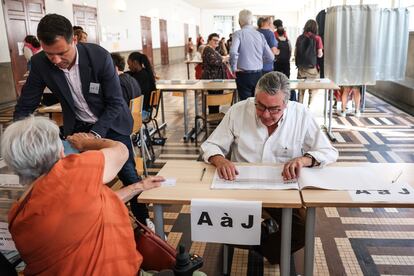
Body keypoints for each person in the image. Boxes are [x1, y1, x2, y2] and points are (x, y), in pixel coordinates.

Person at [13, 14, 152, 228]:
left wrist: (94, 136)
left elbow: (115, 103)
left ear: (74, 41)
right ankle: (89, 226)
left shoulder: (98, 57)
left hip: (111, 123)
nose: (56, 60)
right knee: (73, 179)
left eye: (61, 53)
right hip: (78, 125)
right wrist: (16, 140)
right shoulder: (40, 63)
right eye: (50, 54)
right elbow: (26, 105)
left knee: (128, 173)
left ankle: (145, 224)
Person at [200, 72, 338, 264]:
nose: (266, 115)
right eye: (261, 106)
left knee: (304, 228)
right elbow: (210, 146)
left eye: (274, 109)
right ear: (255, 98)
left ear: (286, 104)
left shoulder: (301, 115)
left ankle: (266, 248)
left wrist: (304, 160)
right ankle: (257, 239)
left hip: (282, 189)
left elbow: (328, 151)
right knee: (219, 223)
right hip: (241, 186)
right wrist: (220, 159)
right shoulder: (238, 111)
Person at [2, 116, 165, 275]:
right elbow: (121, 151)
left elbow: (89, 208)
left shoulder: (17, 216)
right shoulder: (70, 172)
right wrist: (88, 142)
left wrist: (138, 186)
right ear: (60, 152)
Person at [230, 9, 274, 100]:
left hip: (243, 75)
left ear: (239, 22)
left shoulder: (238, 34)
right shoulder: (260, 35)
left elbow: (233, 52)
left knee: (245, 104)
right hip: (258, 74)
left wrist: (233, 68)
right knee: (257, 103)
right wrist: (260, 61)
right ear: (252, 22)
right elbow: (271, 57)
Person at [295, 19, 323, 107]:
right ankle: (309, 107)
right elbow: (319, 55)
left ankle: (300, 107)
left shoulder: (300, 38)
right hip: (312, 69)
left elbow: (296, 53)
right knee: (313, 89)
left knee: (300, 90)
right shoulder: (317, 38)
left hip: (301, 68)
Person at [201, 33, 228, 113]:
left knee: (216, 101)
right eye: (214, 40)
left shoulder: (212, 49)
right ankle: (213, 119)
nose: (216, 42)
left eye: (218, 40)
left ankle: (215, 117)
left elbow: (218, 58)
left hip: (217, 79)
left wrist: (223, 58)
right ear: (209, 40)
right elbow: (214, 62)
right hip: (212, 79)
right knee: (213, 101)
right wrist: (224, 59)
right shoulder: (208, 49)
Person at [126, 52, 157, 117]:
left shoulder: (140, 76)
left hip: (142, 112)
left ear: (135, 63)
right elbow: (128, 73)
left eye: (129, 64)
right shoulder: (145, 72)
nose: (128, 67)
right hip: (147, 110)